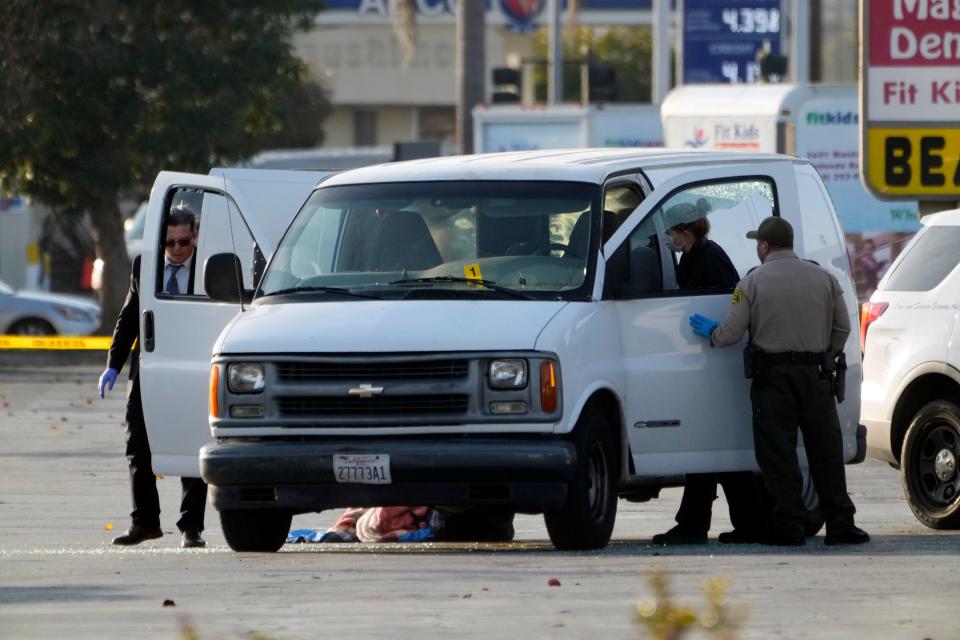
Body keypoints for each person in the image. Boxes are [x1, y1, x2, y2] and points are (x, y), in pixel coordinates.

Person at [689, 216, 869, 546]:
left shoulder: (751, 283)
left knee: (778, 455)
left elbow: (730, 334)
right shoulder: (824, 278)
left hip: (773, 379)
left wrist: (712, 334)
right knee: (825, 452)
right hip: (816, 376)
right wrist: (825, 353)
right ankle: (842, 525)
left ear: (765, 246)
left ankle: (789, 528)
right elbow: (843, 327)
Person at [652, 202, 768, 546]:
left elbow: (729, 305)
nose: (669, 241)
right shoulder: (697, 255)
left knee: (713, 448)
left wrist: (715, 329)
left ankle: (701, 524)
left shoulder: (709, 259)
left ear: (685, 233)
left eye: (672, 234)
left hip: (716, 359)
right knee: (713, 448)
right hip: (708, 359)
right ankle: (733, 523)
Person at [98, 208, 208, 548]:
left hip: (191, 369)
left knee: (191, 445)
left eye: (184, 242)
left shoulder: (209, 268)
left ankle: (192, 528)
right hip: (149, 368)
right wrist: (113, 365)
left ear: (196, 237)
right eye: (170, 242)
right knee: (137, 445)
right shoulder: (144, 267)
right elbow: (129, 318)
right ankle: (144, 522)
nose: (177, 249)